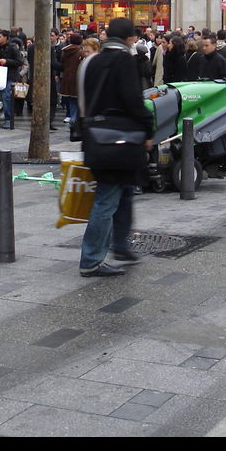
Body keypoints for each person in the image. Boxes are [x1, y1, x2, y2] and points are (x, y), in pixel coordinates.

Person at [76, 17, 153, 277]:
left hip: (97, 139)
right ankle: (91, 260)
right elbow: (133, 100)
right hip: (119, 141)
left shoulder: (92, 61)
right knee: (107, 200)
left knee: (121, 193)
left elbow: (84, 103)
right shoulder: (124, 61)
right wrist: (148, 128)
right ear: (129, 38)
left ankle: (120, 244)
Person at [0, 30, 25, 129]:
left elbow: (19, 61)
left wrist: (6, 61)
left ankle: (8, 119)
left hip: (10, 76)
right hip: (0, 76)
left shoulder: (13, 47)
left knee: (7, 97)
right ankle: (6, 116)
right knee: (2, 97)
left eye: (0, 36)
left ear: (6, 37)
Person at [59, 33, 85, 125]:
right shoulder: (81, 52)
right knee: (78, 100)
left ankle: (71, 117)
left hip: (67, 77)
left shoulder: (65, 51)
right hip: (77, 78)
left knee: (70, 100)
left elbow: (61, 62)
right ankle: (75, 119)